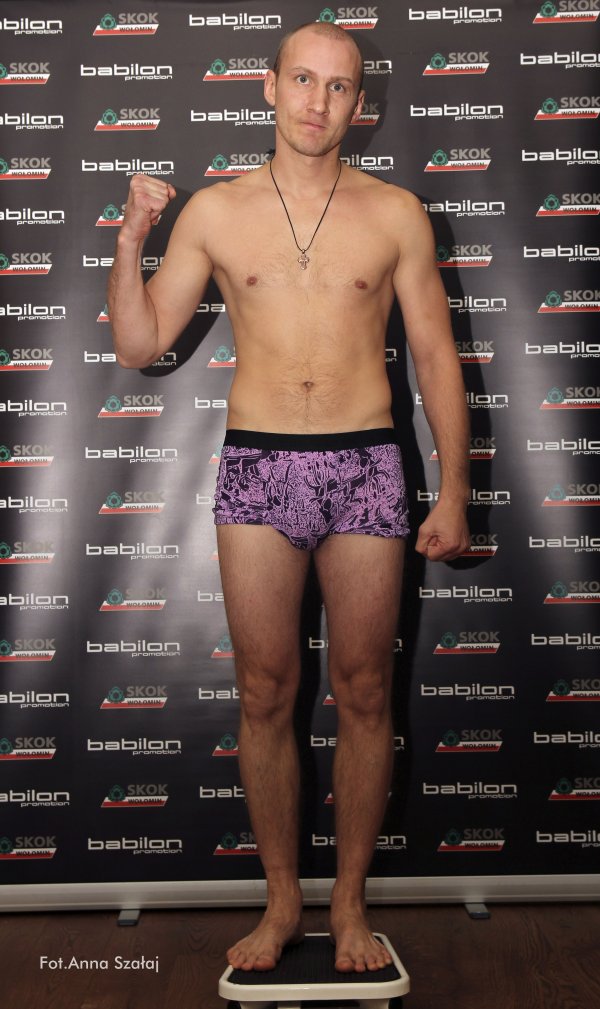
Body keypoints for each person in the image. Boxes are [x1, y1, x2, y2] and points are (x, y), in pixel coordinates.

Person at [108, 20, 470, 974]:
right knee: (265, 693)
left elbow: (436, 354)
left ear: (360, 103)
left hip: (367, 465)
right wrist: (132, 237)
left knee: (365, 691)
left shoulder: (396, 213)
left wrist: (457, 486)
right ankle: (280, 903)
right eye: (303, 80)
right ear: (270, 87)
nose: (318, 101)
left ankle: (348, 906)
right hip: (258, 466)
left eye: (339, 86)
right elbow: (140, 344)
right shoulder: (216, 213)